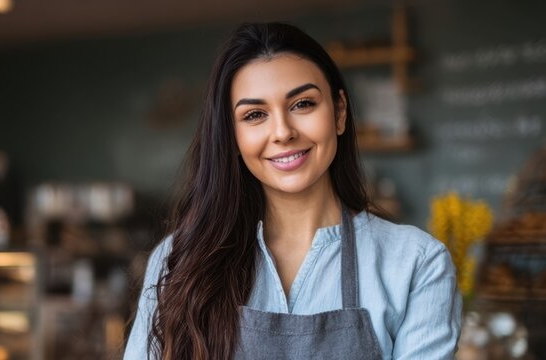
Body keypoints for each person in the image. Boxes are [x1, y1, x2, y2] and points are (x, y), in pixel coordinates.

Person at [123, 22, 461, 359]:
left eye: (302, 104)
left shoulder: (417, 263)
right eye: (255, 114)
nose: (282, 132)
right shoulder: (178, 262)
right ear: (233, 137)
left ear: (339, 113)